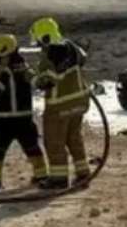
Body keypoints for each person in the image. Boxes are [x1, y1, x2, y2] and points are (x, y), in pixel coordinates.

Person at [0, 34, 48, 191]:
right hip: (25, 118)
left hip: (7, 119)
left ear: (6, 53)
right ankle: (42, 175)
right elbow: (33, 80)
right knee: (32, 147)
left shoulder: (6, 72)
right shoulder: (23, 65)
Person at [30, 17, 92, 190]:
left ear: (44, 37)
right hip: (79, 102)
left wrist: (33, 79)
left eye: (38, 40)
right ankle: (83, 174)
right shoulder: (72, 47)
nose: (38, 45)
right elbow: (79, 63)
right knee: (74, 139)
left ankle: (58, 179)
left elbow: (46, 81)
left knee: (54, 142)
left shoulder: (50, 54)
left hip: (59, 106)